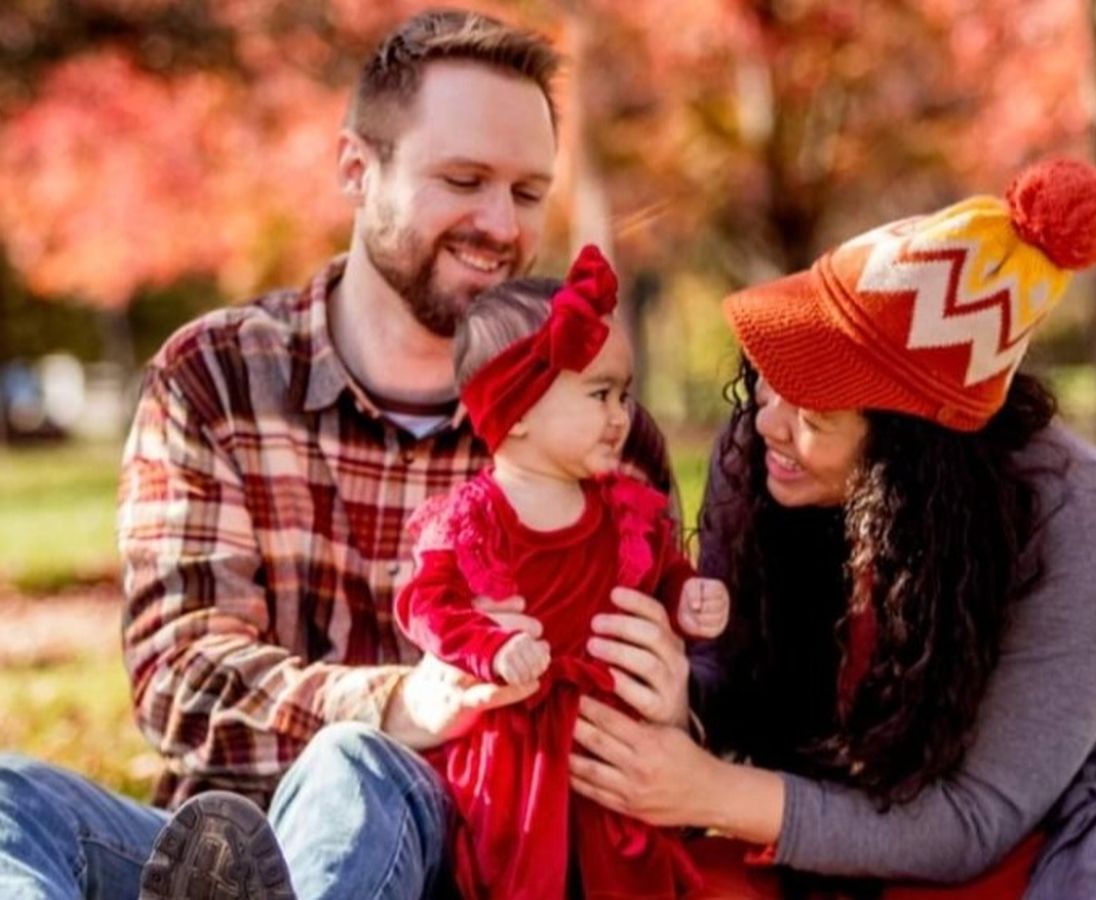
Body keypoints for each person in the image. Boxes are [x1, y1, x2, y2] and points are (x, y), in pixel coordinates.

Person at [0, 10, 691, 900]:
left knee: (355, 770)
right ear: (357, 170)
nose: (500, 223)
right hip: (220, 856)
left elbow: (679, 701)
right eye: (464, 179)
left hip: (470, 849)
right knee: (13, 798)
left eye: (527, 192)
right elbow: (182, 680)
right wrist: (402, 705)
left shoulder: (599, 431)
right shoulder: (217, 377)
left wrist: (678, 706)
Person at [568, 158, 1096, 898]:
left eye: (814, 413)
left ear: (911, 458)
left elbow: (973, 818)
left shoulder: (1081, 521)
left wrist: (710, 793)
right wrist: (679, 706)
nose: (768, 422)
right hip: (866, 787)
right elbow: (731, 673)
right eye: (773, 378)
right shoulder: (765, 454)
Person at [395, 244, 729, 899]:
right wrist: (489, 647)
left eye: (624, 395)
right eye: (600, 394)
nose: (621, 416)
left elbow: (661, 575)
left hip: (608, 754)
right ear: (517, 410)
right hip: (519, 766)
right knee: (519, 878)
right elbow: (426, 605)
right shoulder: (474, 519)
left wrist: (689, 597)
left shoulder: (626, 511)